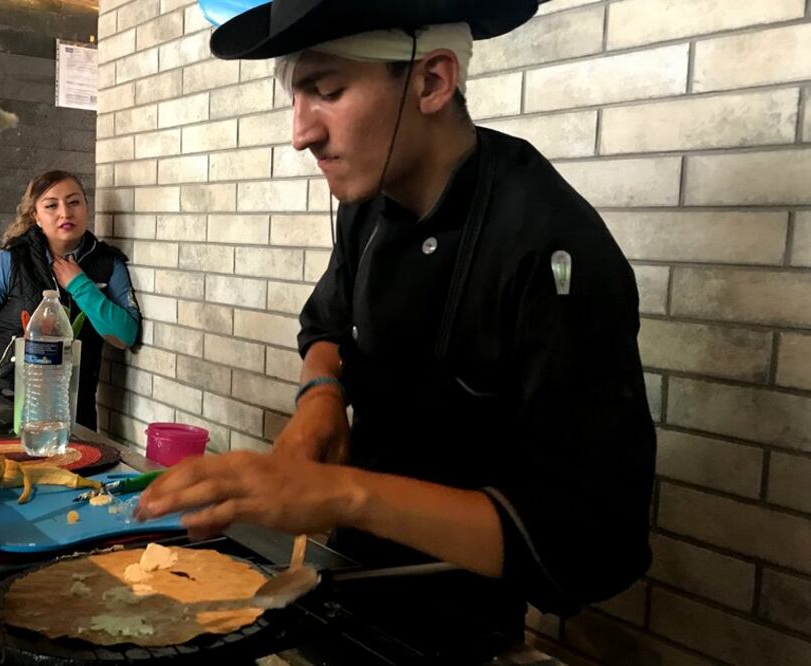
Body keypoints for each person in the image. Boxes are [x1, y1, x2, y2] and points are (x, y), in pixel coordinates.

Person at [137, 0, 656, 648]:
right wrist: (320, 397)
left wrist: (339, 494)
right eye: (295, 98)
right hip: (346, 579)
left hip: (463, 623)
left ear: (432, 81)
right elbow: (326, 323)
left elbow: (593, 542)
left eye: (326, 91)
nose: (301, 133)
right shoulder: (369, 206)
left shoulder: (551, 249)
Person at [0, 170, 141, 430]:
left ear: (86, 208)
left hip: (73, 412)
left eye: (74, 202)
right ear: (36, 216)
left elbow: (125, 336)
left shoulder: (108, 264)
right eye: (51, 205)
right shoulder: (8, 262)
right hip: (1, 408)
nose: (65, 213)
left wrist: (80, 285)